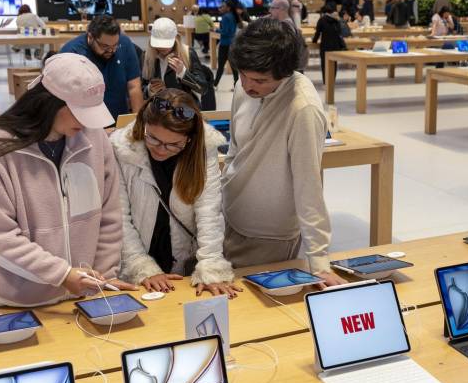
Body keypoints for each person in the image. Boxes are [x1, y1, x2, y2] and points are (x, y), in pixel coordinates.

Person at [0, 53, 133, 311]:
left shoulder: (94, 140)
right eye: (80, 112)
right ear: (50, 103)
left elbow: (108, 215)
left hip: (77, 296)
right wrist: (62, 274)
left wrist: (103, 276)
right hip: (4, 299)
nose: (87, 122)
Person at [222, 18, 345, 287]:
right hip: (229, 215)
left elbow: (309, 187)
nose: (246, 85)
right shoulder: (246, 86)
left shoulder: (303, 109)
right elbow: (234, 149)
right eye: (242, 74)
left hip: (268, 234)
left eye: (259, 80)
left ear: (286, 73)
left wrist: (319, 259)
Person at [111, 89, 240, 297]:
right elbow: (119, 217)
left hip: (181, 258)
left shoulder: (203, 149)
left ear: (190, 139)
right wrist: (140, 266)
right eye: (153, 139)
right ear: (143, 125)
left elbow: (209, 211)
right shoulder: (121, 149)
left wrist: (211, 266)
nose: (162, 150)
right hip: (137, 255)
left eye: (174, 144)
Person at [60, 15, 144, 123]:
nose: (111, 50)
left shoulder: (125, 43)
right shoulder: (71, 53)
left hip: (119, 120)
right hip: (85, 124)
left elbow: (134, 87)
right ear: (90, 37)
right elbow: (65, 99)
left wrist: (138, 123)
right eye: (105, 46)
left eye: (115, 45)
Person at [140, 17, 214, 110]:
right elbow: (140, 89)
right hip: (159, 112)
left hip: (184, 111)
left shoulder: (188, 54)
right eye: (158, 44)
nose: (162, 48)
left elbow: (202, 88)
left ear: (176, 39)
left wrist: (183, 73)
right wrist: (149, 90)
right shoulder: (147, 56)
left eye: (166, 44)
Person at [312, 5, 346, 84]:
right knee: (334, 64)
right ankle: (332, 82)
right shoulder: (336, 20)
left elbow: (317, 33)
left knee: (324, 65)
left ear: (324, 13)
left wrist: (314, 41)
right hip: (335, 46)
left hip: (325, 45)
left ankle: (326, 82)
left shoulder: (322, 20)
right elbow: (340, 32)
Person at [214, 0, 239, 88]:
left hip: (225, 44)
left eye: (223, 6)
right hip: (232, 43)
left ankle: (215, 84)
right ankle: (237, 85)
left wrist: (215, 30)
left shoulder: (225, 17)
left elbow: (225, 32)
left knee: (221, 66)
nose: (221, 7)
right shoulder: (233, 16)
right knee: (234, 67)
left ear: (228, 8)